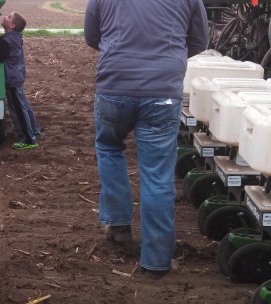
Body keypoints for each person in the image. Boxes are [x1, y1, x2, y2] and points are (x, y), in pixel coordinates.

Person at [84, 0, 209, 278]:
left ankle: (117, 225)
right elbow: (199, 41)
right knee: (157, 176)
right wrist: (165, 58)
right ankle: (156, 262)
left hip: (114, 85)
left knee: (109, 147)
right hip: (162, 92)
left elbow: (92, 36)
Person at [0, 12, 41, 150]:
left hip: (12, 78)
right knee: (23, 104)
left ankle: (29, 139)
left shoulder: (7, 41)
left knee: (17, 108)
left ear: (11, 25)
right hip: (17, 75)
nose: (5, 17)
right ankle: (34, 130)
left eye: (8, 17)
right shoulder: (15, 38)